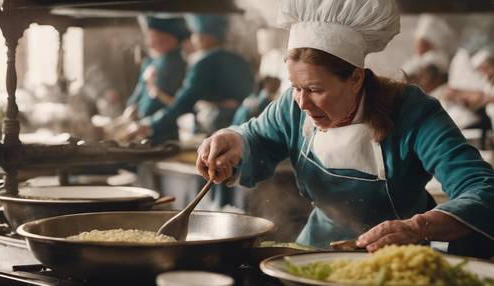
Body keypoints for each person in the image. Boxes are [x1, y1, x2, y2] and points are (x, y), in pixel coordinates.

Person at [196, 0, 494, 257]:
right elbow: (256, 135)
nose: (302, 103)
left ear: (355, 78)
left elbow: (483, 189)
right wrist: (232, 140)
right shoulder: (292, 105)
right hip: (314, 252)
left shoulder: (412, 112)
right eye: (295, 87)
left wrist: (416, 227)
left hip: (393, 262)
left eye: (314, 89)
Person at [129, 14, 254, 144]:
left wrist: (150, 125)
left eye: (194, 33)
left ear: (204, 36)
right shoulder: (239, 60)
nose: (193, 39)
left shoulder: (204, 62)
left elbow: (184, 101)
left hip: (217, 132)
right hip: (243, 132)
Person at [118, 15, 190, 142]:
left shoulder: (177, 64)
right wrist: (132, 106)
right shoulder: (150, 61)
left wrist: (149, 124)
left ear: (168, 38)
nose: (148, 40)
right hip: (143, 130)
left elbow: (177, 105)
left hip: (165, 132)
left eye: (152, 34)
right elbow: (141, 88)